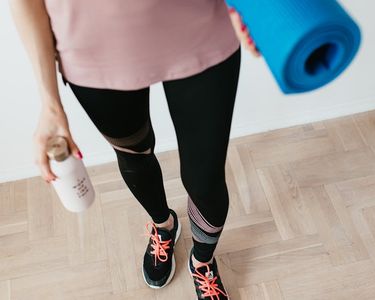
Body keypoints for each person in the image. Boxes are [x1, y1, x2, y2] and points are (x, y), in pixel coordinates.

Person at [9, 0, 260, 298]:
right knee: (135, 157)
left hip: (201, 24)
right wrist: (50, 103)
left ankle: (202, 261)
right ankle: (164, 226)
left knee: (205, 177)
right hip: (93, 49)